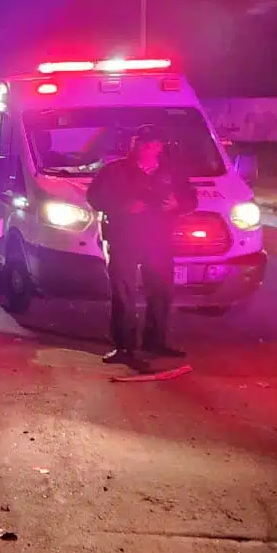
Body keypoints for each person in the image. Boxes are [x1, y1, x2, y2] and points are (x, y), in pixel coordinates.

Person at [86, 125, 196, 370]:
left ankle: (155, 341)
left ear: (158, 147)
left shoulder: (171, 172)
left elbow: (191, 198)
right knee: (123, 293)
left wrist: (178, 204)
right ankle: (124, 346)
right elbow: (95, 197)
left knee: (161, 291)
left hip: (159, 240)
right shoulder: (114, 171)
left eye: (149, 144)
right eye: (139, 143)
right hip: (125, 238)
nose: (143, 148)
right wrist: (123, 207)